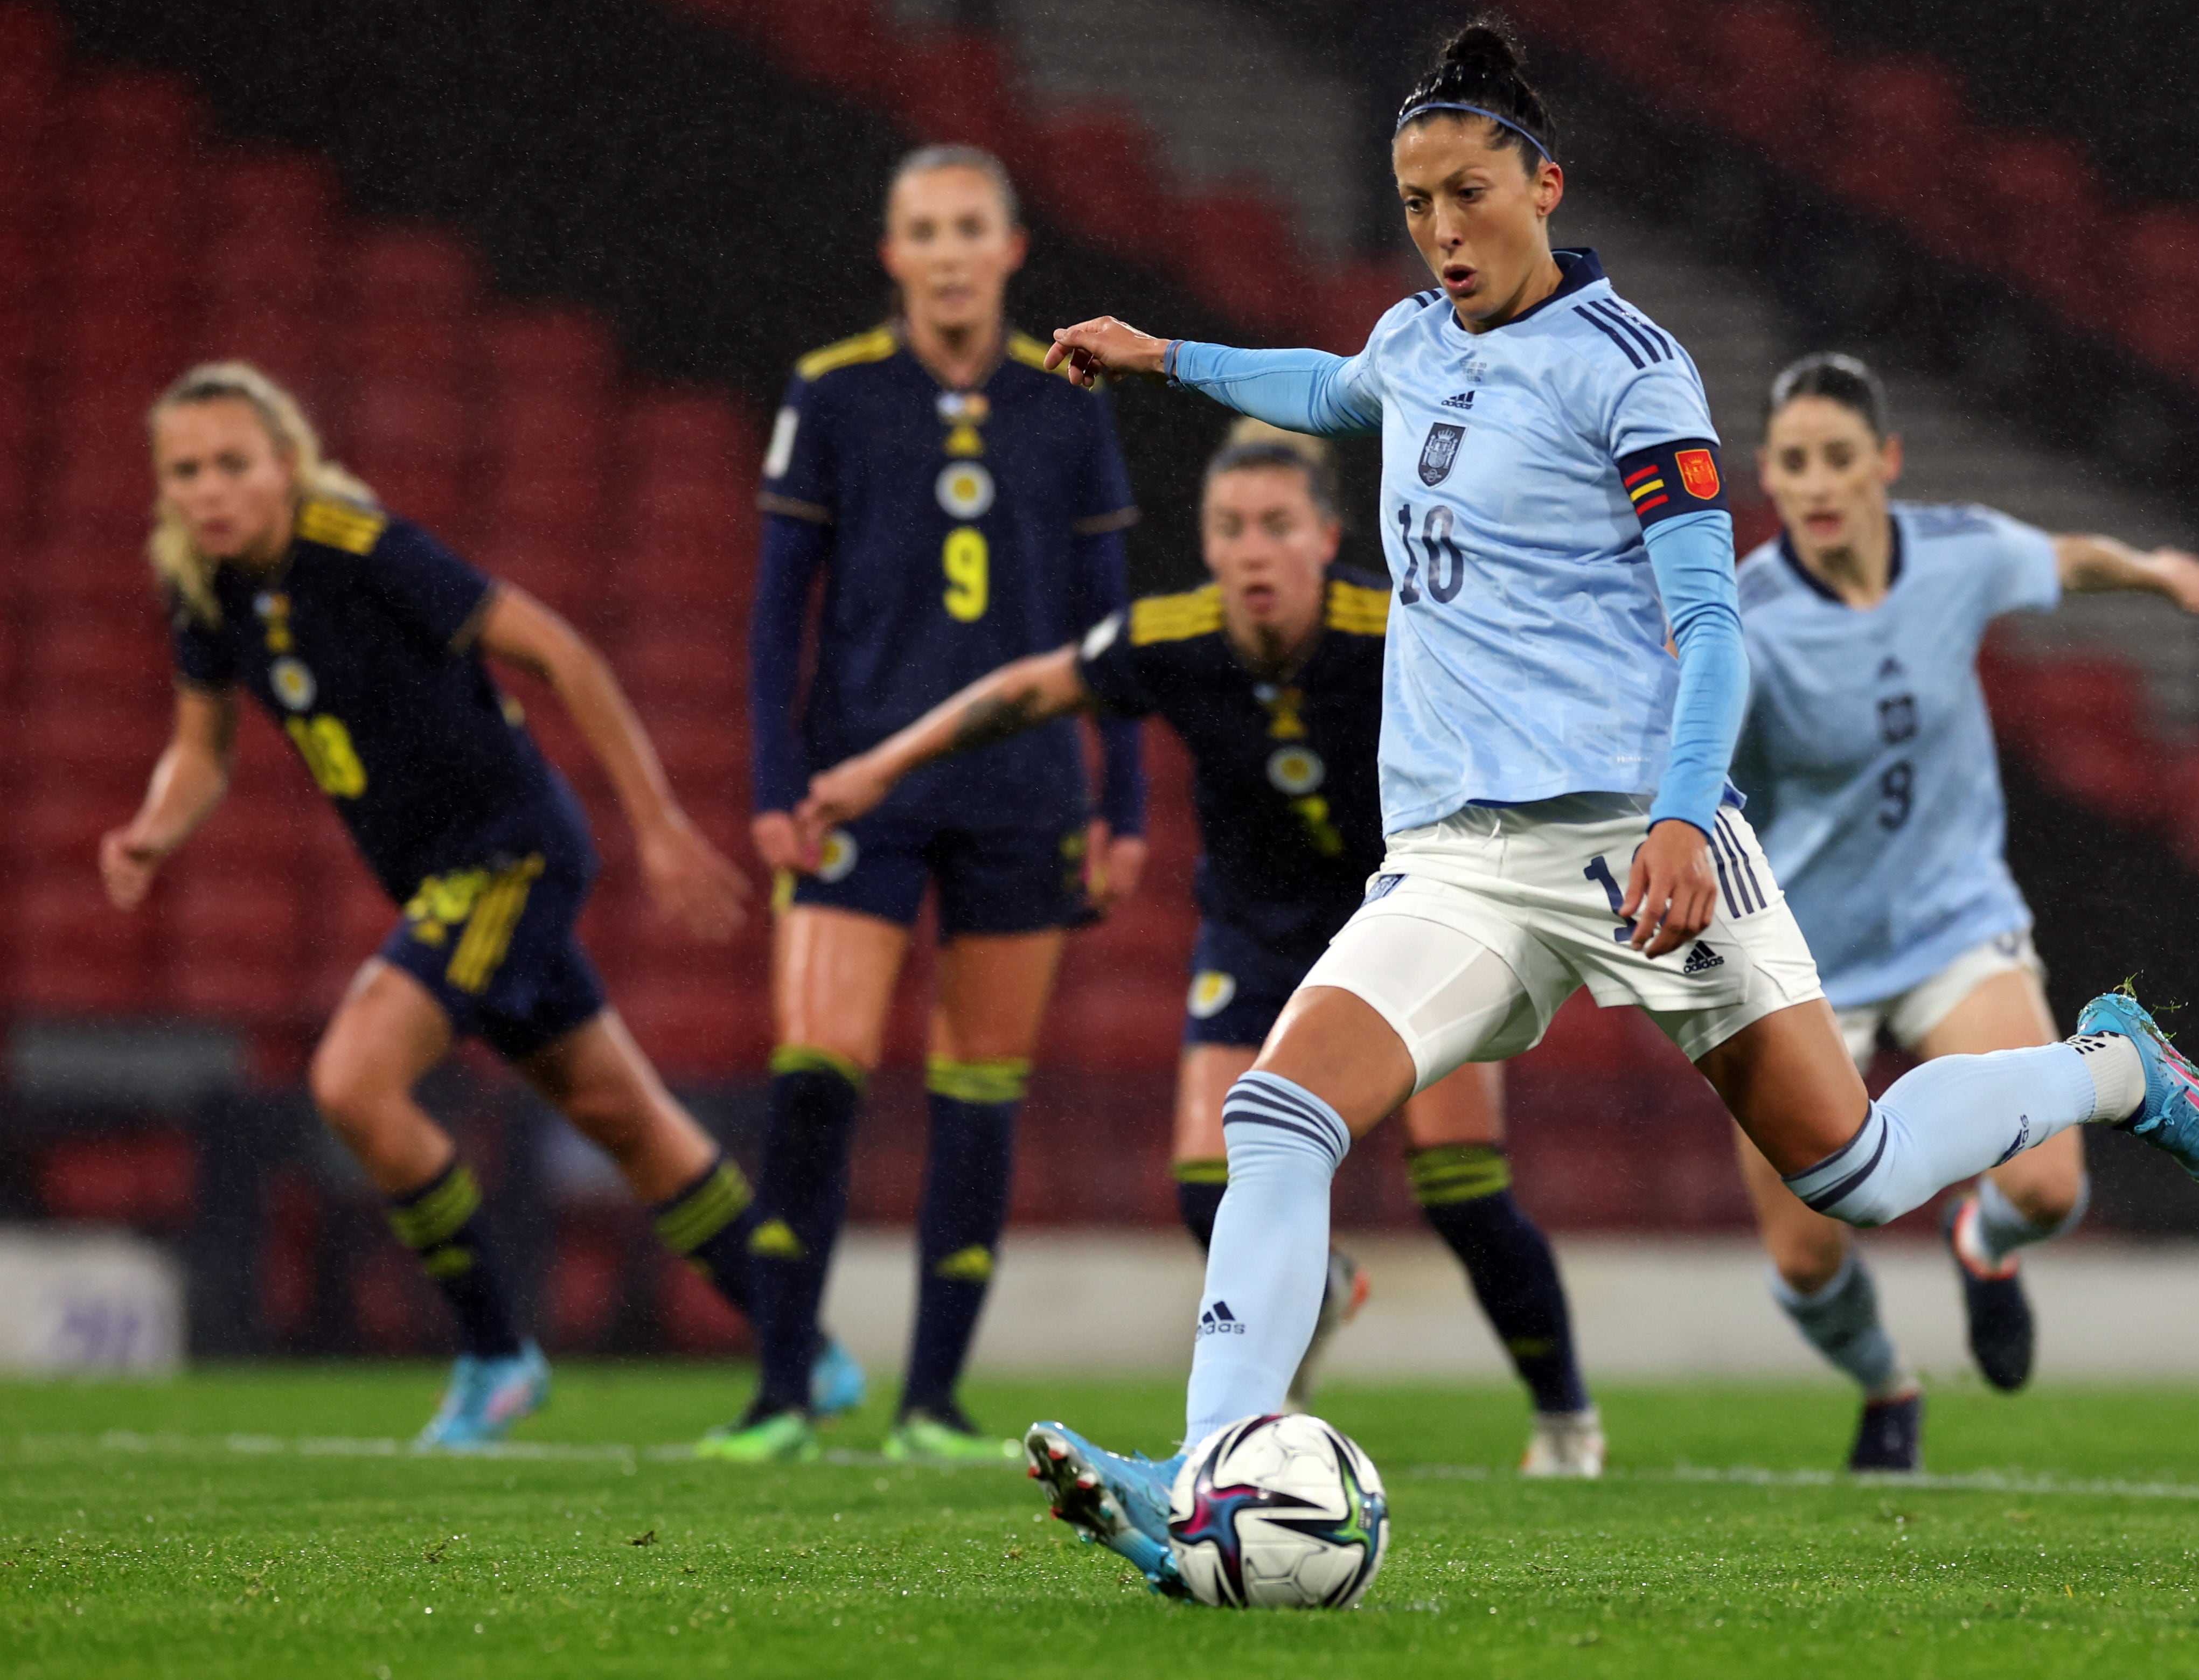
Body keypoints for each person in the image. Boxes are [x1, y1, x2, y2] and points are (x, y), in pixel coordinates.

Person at [998, 17, 2199, 1597]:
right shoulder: (1415, 339)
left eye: (1465, 195)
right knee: (1277, 1112)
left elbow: (1709, 627)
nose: (1441, 232)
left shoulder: (1633, 376)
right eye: (1412, 205)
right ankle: (1201, 1475)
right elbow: (1331, 390)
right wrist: (1165, 356)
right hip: (1458, 857)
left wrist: (1676, 815)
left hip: (1634, 837)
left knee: (1849, 1170)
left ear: (1541, 182)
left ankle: (2109, 1068)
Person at [797, 422, 1605, 1476]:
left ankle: (1562, 1415)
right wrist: (877, 768)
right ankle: (1309, 1304)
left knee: (1461, 1190)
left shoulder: (1403, 624)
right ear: (1209, 545)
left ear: (1326, 536)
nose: (1253, 550)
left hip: (1408, 921)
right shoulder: (1173, 635)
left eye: (1277, 526)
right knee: (1205, 1186)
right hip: (1255, 932)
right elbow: (1030, 691)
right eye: (1230, 529)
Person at [104, 362, 855, 1447]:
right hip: (446, 875)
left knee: (353, 1081)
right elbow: (198, 747)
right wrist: (153, 831)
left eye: (234, 463)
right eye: (187, 471)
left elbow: (559, 649)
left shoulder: (363, 551)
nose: (211, 489)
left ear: (286, 462)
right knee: (623, 1118)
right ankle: (807, 1350)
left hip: (510, 854)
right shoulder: (201, 586)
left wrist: (656, 823)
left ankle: (498, 1354)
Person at [1731, 353, 2199, 1471]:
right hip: (1799, 956)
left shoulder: (1953, 552)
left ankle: (1985, 1243)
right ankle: (1885, 1384)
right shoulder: (1747, 624)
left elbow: (2062, 559)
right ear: (1768, 473)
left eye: (1840, 460)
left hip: (1954, 925)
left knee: (2049, 1186)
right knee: (1810, 1259)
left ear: (1886, 465)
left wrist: (2151, 574)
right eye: (1796, 463)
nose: (1818, 484)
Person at [722, 144, 1150, 1463]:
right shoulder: (835, 392)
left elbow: (1110, 626)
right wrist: (772, 784)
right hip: (862, 785)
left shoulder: (1067, 400)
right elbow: (773, 613)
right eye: (927, 228)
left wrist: (1120, 800)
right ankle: (782, 1393)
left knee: (980, 1088)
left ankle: (935, 1405)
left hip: (1024, 793)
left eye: (973, 226)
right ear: (893, 253)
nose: (952, 250)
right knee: (817, 1072)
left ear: (1013, 250)